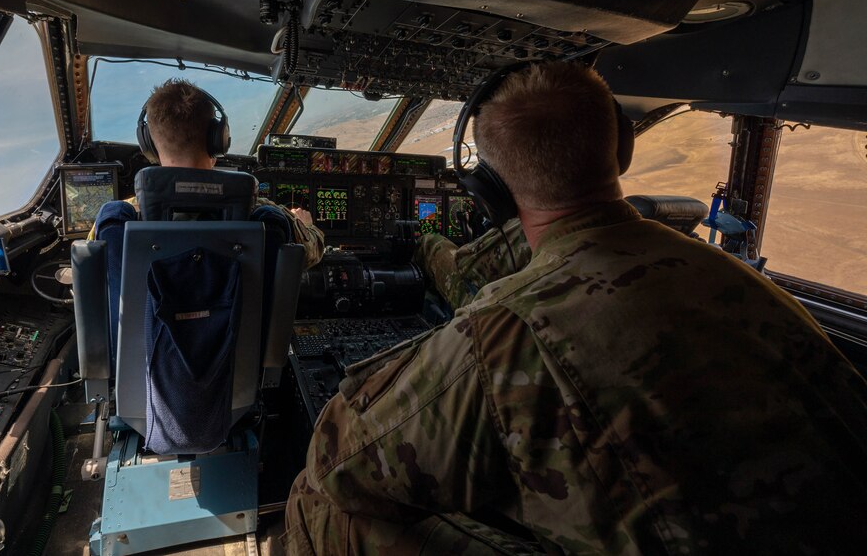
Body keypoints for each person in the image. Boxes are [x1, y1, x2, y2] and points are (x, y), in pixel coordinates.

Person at [284, 61, 867, 554]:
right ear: (621, 149)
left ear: (489, 187)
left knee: (320, 501)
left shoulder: (506, 328)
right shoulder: (734, 274)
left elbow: (340, 460)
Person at [89, 78, 324, 268]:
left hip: (148, 328)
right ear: (218, 140)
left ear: (148, 145)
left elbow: (90, 267)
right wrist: (308, 226)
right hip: (237, 328)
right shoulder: (261, 212)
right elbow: (309, 253)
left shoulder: (122, 218)